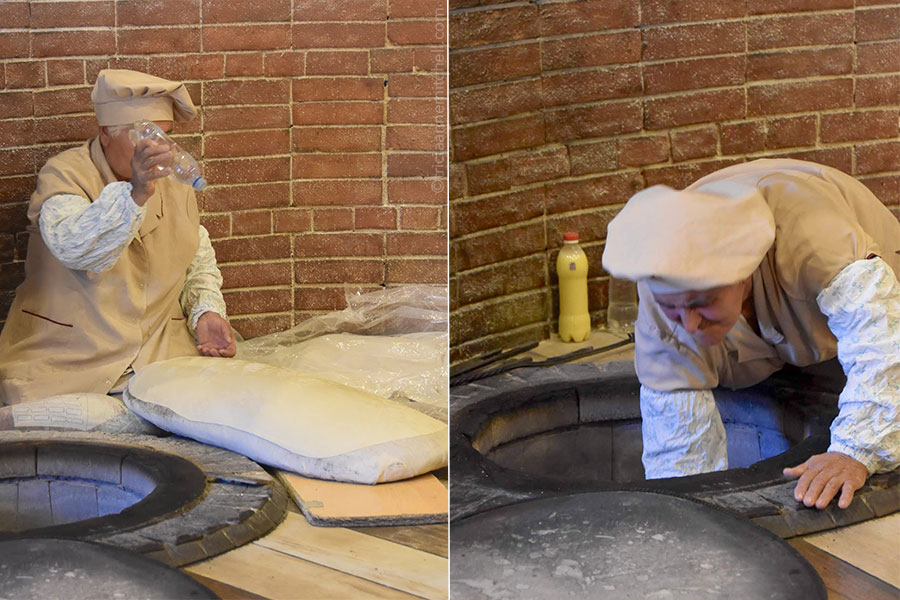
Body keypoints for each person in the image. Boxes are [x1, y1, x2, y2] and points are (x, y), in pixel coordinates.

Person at [601, 158, 900, 511]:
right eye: (674, 308)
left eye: (702, 302)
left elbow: (881, 340)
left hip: (869, 299)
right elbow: (678, 446)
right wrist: (692, 510)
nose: (689, 325)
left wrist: (856, 450)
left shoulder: (816, 241)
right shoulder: (662, 284)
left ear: (744, 275)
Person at [0, 69, 234, 405]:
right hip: (68, 361)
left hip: (158, 355)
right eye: (145, 136)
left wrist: (207, 314)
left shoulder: (176, 184)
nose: (159, 149)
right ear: (105, 134)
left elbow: (195, 259)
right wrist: (136, 194)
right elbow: (78, 250)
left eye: (166, 136)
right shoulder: (65, 174)